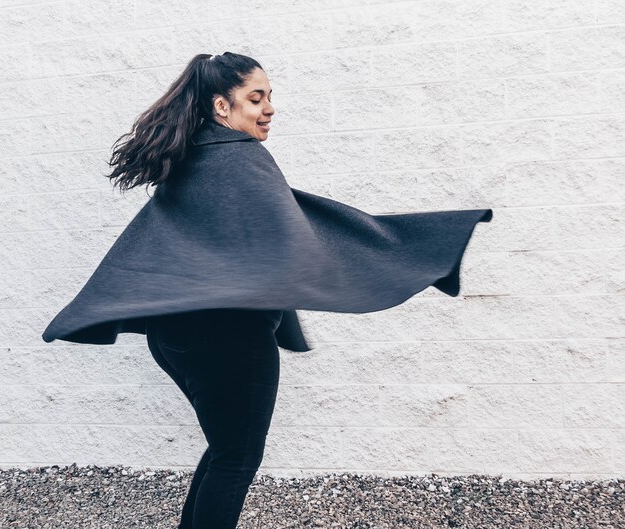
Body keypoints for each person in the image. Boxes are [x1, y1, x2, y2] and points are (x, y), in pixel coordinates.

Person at [42, 52, 493, 528]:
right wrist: (413, 245)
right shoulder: (240, 157)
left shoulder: (195, 159)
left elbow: (249, 243)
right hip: (229, 337)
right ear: (221, 106)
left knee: (225, 451)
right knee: (236, 459)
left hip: (175, 337)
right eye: (255, 98)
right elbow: (301, 229)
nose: (269, 108)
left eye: (270, 97)